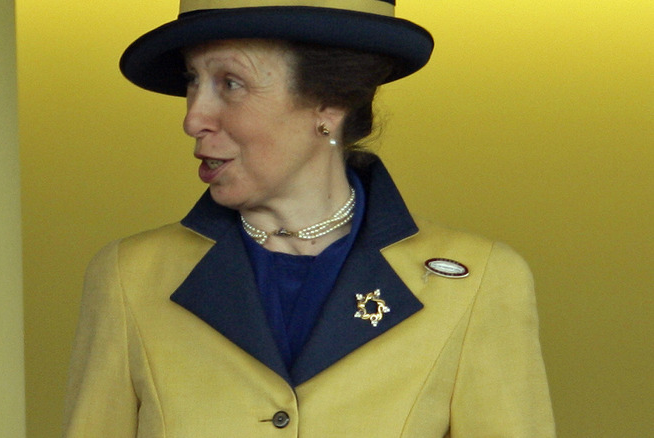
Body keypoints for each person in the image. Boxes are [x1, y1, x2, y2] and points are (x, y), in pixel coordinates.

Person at [63, 0, 556, 437]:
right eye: (193, 80)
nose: (193, 117)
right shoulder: (129, 277)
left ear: (330, 103)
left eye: (230, 83)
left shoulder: (476, 283)